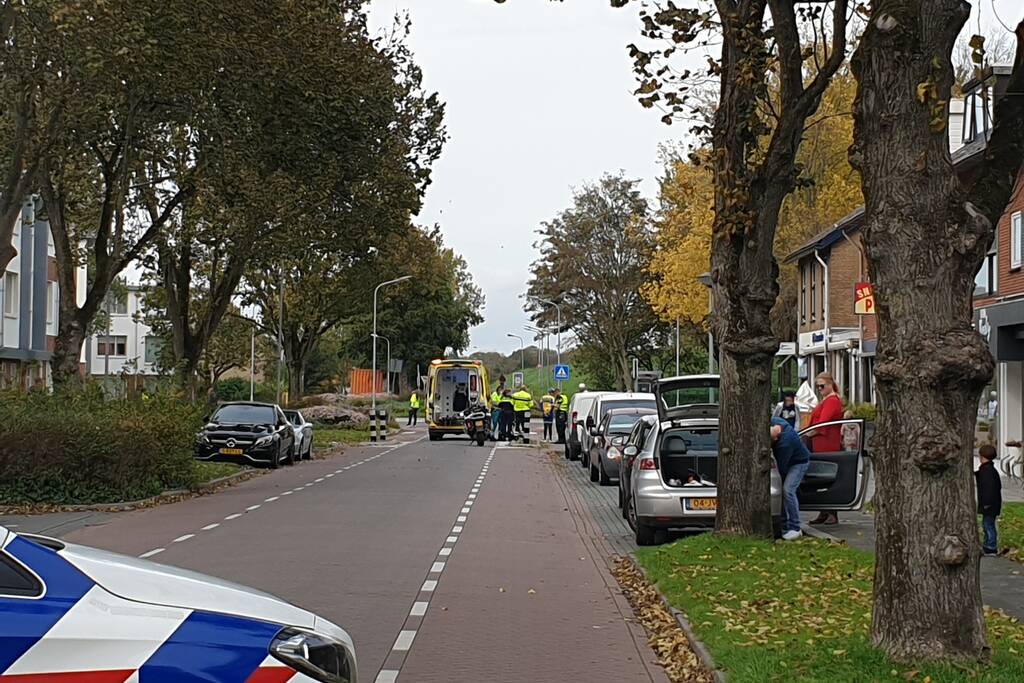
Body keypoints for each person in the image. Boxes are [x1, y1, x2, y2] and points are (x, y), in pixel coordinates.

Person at [807, 372, 844, 526]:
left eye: (822, 386)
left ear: (830, 384)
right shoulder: (826, 400)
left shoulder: (832, 401)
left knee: (826, 476)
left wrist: (810, 432)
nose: (820, 389)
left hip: (827, 443)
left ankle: (831, 512)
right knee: (821, 477)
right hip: (820, 442)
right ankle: (824, 511)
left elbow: (823, 422)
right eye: (817, 386)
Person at [770, 416, 811, 541]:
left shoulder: (785, 444)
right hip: (793, 459)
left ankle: (795, 527)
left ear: (776, 438)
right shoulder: (776, 422)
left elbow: (782, 469)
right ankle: (783, 524)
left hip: (799, 463)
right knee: (783, 490)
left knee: (787, 490)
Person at [977, 444, 1002, 556]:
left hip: (990, 504)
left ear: (982, 457)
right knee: (987, 524)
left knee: (988, 525)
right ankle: (988, 544)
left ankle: (991, 547)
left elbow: (989, 488)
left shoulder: (987, 472)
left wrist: (986, 503)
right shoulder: (989, 470)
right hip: (992, 503)